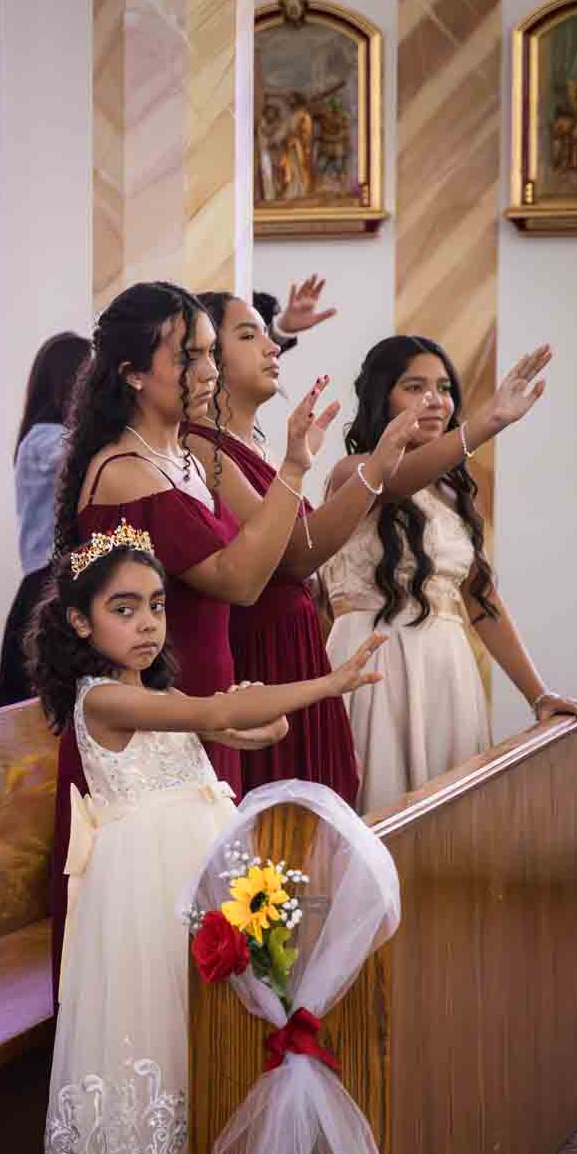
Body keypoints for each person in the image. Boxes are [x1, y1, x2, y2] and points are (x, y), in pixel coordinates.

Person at [25, 525, 384, 1154]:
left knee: (189, 1035)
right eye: (125, 609)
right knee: (136, 1041)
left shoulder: (155, 696)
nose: (149, 623)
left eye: (156, 605)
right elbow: (217, 712)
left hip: (185, 875)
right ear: (82, 624)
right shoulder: (105, 698)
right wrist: (323, 686)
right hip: (139, 891)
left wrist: (259, 716)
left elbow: (243, 724)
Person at [45, 283, 334, 992]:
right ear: (134, 373)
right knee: (158, 944)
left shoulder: (183, 459)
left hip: (202, 709)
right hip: (156, 729)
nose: (207, 371)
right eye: (189, 356)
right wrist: (293, 467)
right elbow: (241, 578)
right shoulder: (125, 474)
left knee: (216, 928)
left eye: (210, 352)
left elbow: (273, 562)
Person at [183, 290, 460, 800]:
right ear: (203, 359)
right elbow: (296, 556)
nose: (271, 347)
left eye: (270, 334)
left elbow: (309, 549)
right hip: (258, 655)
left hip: (297, 647)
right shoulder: (201, 444)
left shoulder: (254, 450)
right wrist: (376, 464)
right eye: (249, 335)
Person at [319, 336, 577, 815]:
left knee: (449, 825)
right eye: (415, 386)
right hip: (375, 666)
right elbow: (396, 478)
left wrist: (539, 695)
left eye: (444, 388)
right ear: (382, 397)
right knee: (378, 816)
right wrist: (491, 420)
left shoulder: (455, 492)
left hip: (446, 667)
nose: (436, 400)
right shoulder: (352, 473)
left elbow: (482, 600)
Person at [0, 331, 89, 708]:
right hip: (45, 586)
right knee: (33, 707)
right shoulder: (44, 440)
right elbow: (82, 453)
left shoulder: (54, 437)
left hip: (63, 580)